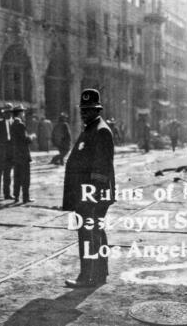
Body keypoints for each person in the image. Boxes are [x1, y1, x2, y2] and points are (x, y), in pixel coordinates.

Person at [63, 89, 115, 288]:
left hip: (92, 194)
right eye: (83, 109)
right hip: (89, 193)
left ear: (98, 110)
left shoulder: (100, 130)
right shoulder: (91, 128)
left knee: (88, 234)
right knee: (95, 233)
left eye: (89, 109)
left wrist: (90, 196)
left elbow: (101, 169)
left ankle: (87, 277)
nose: (84, 113)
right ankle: (99, 274)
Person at [8, 104, 35, 204]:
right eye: (23, 112)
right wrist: (31, 137)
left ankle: (16, 197)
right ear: (20, 113)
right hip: (23, 155)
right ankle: (25, 198)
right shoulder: (21, 124)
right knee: (25, 178)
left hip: (16, 155)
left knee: (17, 177)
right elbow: (25, 140)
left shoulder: (12, 124)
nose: (24, 114)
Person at [0, 104, 16, 203]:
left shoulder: (14, 123)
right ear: (3, 113)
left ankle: (7, 194)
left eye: (10, 112)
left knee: (8, 174)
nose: (8, 114)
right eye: (6, 113)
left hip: (10, 153)